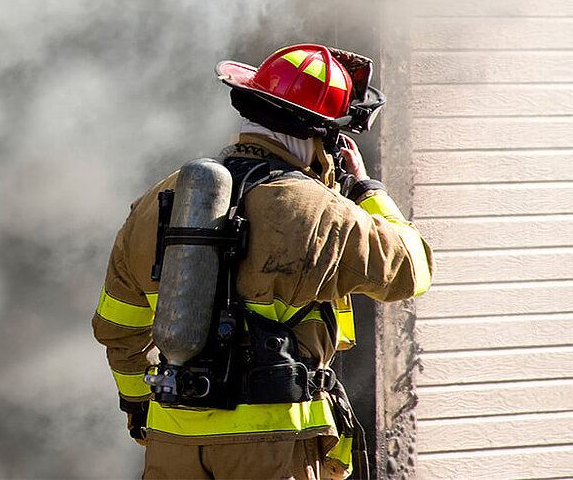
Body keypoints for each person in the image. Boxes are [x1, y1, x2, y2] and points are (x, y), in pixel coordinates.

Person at [92, 44, 433, 480]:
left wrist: (142, 404)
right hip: (272, 450)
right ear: (322, 137)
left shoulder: (160, 200)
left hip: (171, 443)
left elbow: (117, 327)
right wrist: (367, 188)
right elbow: (413, 269)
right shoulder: (321, 211)